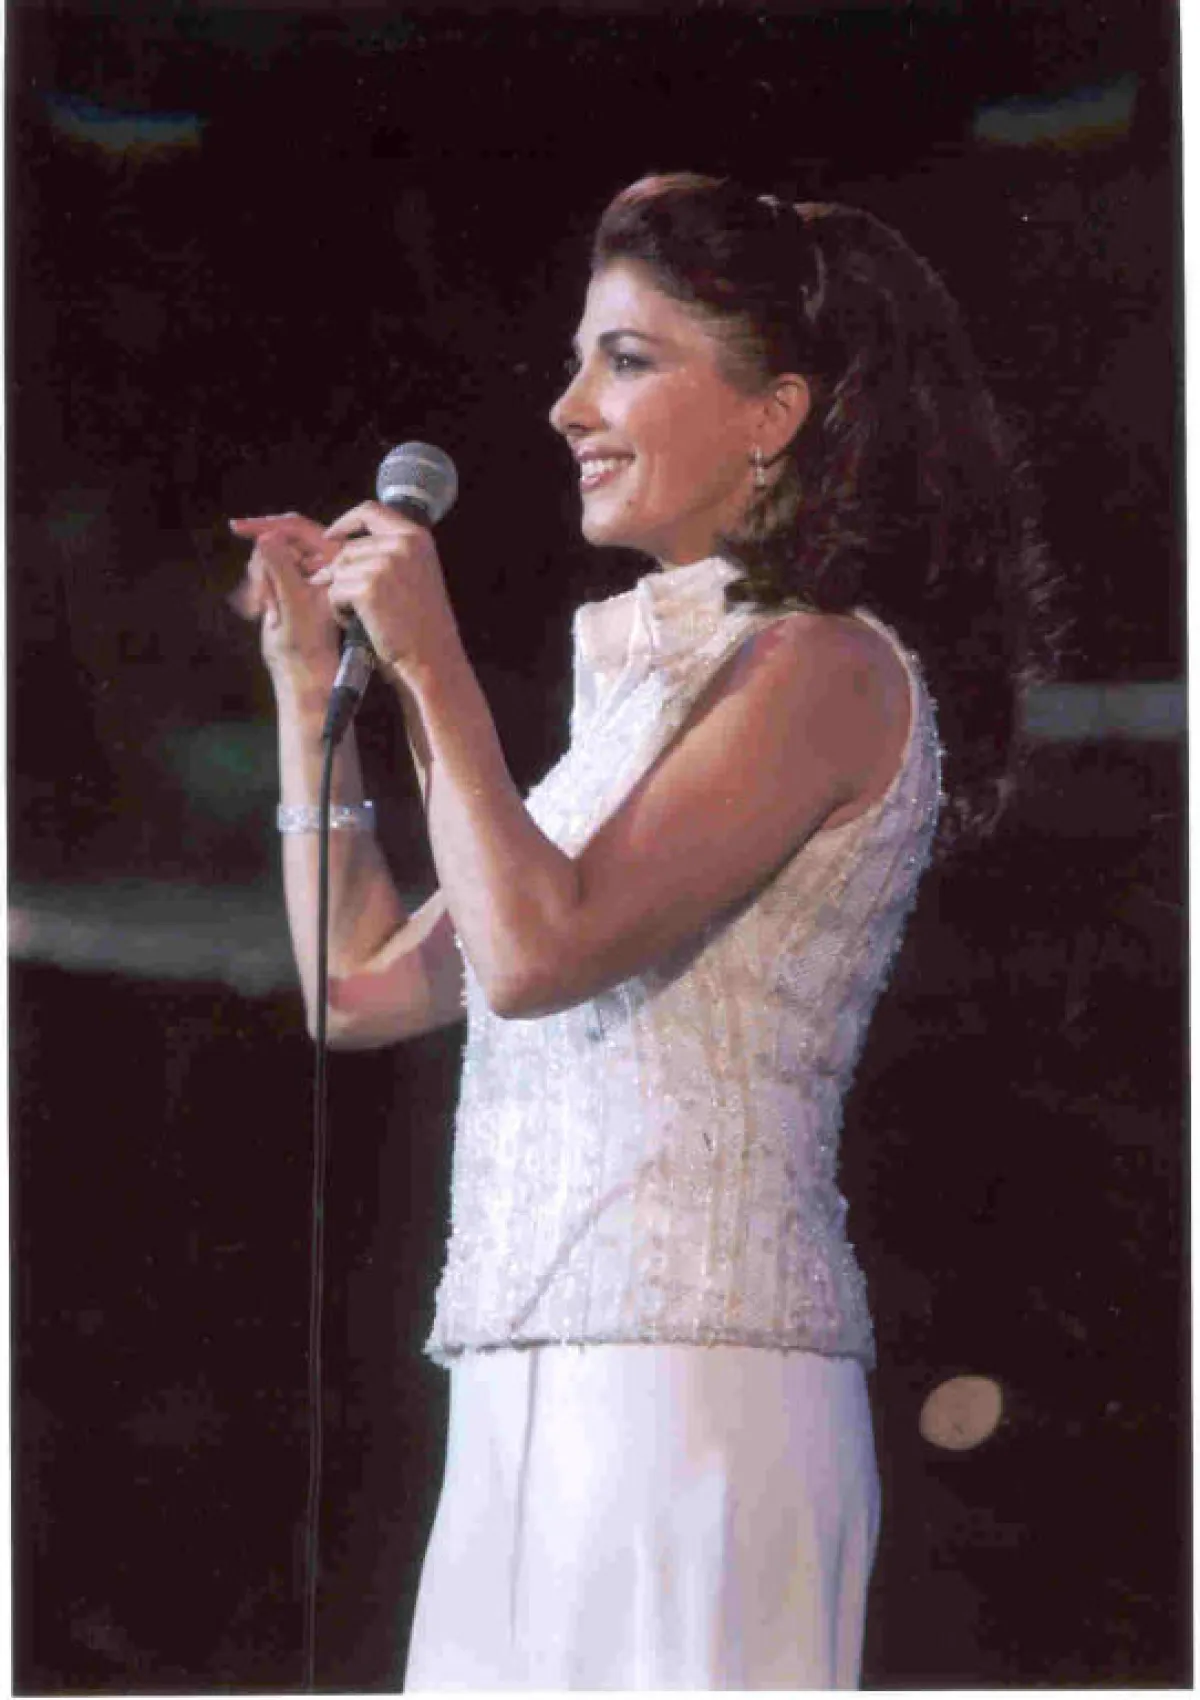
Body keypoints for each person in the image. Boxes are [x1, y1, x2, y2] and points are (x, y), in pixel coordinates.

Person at [231, 172, 1055, 1690]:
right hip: (520, 1392)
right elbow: (357, 989)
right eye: (576, 360)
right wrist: (308, 695)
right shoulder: (642, 702)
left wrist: (436, 667)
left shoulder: (823, 670)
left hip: (693, 1393)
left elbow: (538, 955)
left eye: (625, 360)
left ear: (773, 414)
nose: (567, 411)